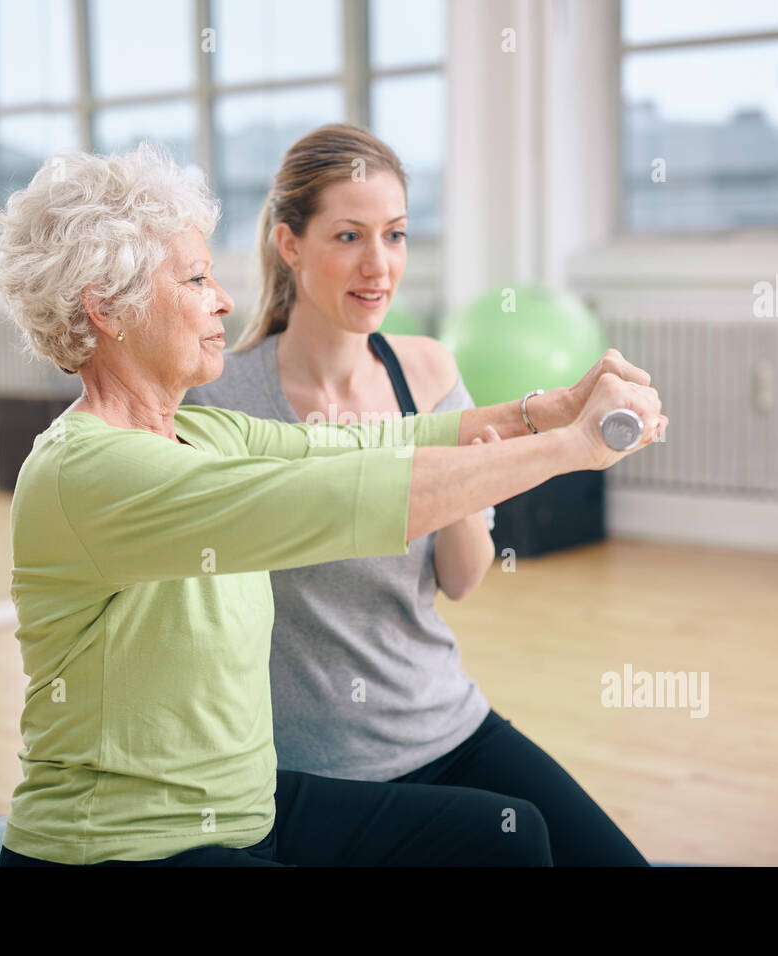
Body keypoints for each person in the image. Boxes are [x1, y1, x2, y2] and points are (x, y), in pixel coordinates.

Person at [0, 141, 666, 866]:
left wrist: (555, 409)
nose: (224, 298)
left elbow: (370, 447)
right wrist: (573, 449)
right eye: (196, 278)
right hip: (125, 845)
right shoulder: (92, 470)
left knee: (513, 837)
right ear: (108, 309)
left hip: (250, 810)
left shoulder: (203, 430)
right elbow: (338, 498)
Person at [183, 124, 654, 866]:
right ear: (290, 243)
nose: (379, 265)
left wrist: (469, 487)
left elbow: (464, 580)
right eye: (348, 236)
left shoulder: (427, 373)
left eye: (395, 235)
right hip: (314, 774)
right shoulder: (222, 397)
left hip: (445, 723)